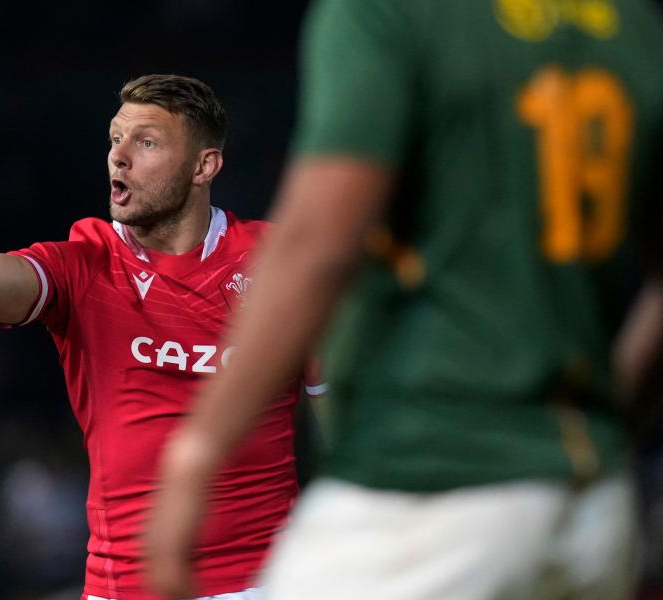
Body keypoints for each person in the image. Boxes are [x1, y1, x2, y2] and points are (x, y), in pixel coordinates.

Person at [146, 1, 663, 599]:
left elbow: (318, 244)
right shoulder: (634, 25)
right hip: (593, 504)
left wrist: (200, 449)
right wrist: (609, 423)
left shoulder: (390, 11)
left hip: (432, 486)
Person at [0, 74, 321, 600]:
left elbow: (341, 415)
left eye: (145, 142)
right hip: (123, 588)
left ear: (204, 166)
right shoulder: (87, 264)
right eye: (114, 139)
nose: (118, 157)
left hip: (265, 583)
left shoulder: (275, 264)